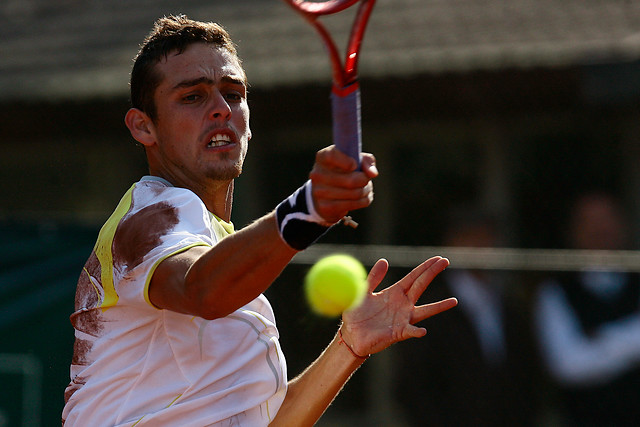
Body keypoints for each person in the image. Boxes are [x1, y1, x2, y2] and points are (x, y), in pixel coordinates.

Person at [61, 15, 457, 426]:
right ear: (143, 127)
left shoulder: (234, 271)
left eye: (233, 94)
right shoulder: (149, 218)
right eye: (193, 97)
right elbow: (202, 290)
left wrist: (349, 347)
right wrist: (308, 208)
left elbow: (270, 422)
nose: (220, 110)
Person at [395, 208, 539, 426]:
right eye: (470, 237)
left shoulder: (511, 306)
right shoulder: (429, 308)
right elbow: (413, 385)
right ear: (451, 243)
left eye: (487, 237)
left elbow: (526, 377)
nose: (480, 245)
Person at [534, 191, 640, 426]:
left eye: (606, 219)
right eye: (589, 222)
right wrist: (632, 340)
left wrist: (601, 339)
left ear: (623, 226)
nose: (600, 230)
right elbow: (568, 366)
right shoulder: (554, 292)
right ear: (572, 231)